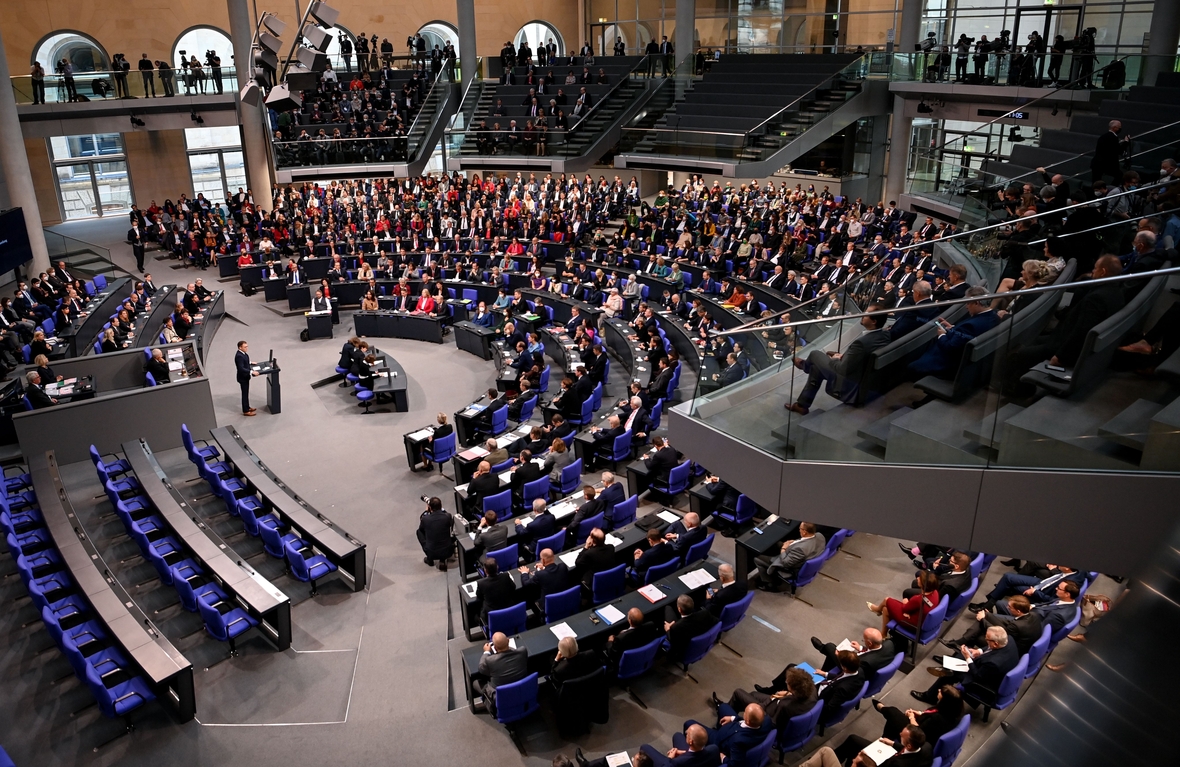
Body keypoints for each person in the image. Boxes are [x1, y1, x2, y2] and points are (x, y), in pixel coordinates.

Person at [785, 304, 890, 415]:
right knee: (816, 368)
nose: (863, 315)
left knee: (815, 354)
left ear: (874, 321)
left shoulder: (861, 343)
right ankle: (802, 405)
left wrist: (835, 359)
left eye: (867, 314)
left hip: (848, 386)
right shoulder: (885, 335)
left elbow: (842, 369)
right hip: (862, 380)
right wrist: (843, 357)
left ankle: (805, 366)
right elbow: (859, 359)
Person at [909, 287, 1001, 381]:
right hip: (970, 363)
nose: (966, 306)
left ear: (977, 303)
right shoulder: (994, 317)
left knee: (910, 366)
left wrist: (942, 335)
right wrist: (953, 328)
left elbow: (950, 348)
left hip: (945, 364)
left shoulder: (971, 325)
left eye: (968, 303)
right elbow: (966, 335)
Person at [913, 626, 1018, 705]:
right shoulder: (1009, 639)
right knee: (963, 653)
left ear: (995, 643)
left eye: (987, 640)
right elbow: (990, 648)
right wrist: (979, 651)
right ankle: (948, 666)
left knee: (949, 674)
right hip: (987, 668)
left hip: (984, 682)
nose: (986, 641)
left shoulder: (994, 662)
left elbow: (977, 675)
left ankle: (930, 697)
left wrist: (968, 657)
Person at [754, 522, 826, 590]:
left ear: (804, 532)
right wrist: (794, 542)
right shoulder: (820, 536)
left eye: (800, 529)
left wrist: (783, 549)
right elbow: (804, 542)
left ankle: (770, 584)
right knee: (776, 543)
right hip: (795, 552)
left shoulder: (801, 549)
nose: (799, 530)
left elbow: (785, 563)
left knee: (757, 558)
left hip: (789, 566)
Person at [868, 570, 941, 635]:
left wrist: (905, 602)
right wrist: (908, 610)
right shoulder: (935, 593)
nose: (917, 578)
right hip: (921, 621)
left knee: (887, 600)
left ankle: (877, 610)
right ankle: (883, 635)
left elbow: (905, 609)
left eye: (920, 579)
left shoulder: (918, 599)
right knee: (885, 609)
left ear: (923, 585)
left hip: (912, 624)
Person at [473, 631, 529, 716]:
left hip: (501, 697)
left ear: (494, 647)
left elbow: (481, 669)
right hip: (521, 691)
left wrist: (487, 652)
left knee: (476, 683)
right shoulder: (522, 651)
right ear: (508, 640)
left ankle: (491, 704)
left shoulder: (490, 660)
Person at [664, 594, 719, 662]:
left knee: (667, 607)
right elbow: (716, 622)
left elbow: (673, 642)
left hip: (684, 650)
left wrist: (668, 629)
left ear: (679, 609)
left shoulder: (676, 627)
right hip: (700, 643)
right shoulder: (704, 613)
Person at [417, 496, 454, 570]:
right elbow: (448, 518)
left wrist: (427, 511)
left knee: (419, 531)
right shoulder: (447, 516)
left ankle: (430, 559)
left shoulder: (425, 519)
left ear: (430, 507)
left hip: (431, 553)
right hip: (448, 551)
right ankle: (442, 559)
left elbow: (421, 528)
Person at [235, 340, 257, 416]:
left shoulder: (243, 354)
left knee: (246, 393)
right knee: (244, 394)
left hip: (245, 377)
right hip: (243, 378)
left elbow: (245, 360)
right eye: (245, 347)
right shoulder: (239, 356)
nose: (246, 348)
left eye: (247, 346)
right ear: (240, 347)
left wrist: (250, 362)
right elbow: (241, 368)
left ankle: (247, 407)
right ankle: (246, 411)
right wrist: (251, 372)